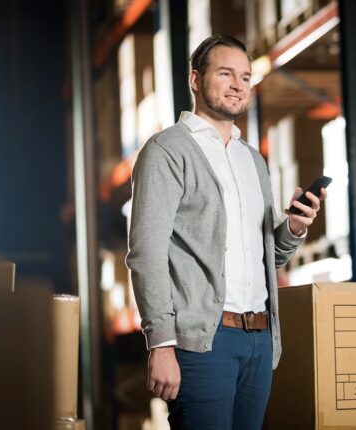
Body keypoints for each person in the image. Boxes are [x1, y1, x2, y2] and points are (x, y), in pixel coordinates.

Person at [126, 34, 326, 430]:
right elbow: (146, 253)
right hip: (204, 342)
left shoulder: (252, 159)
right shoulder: (167, 151)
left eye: (246, 77)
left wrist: (295, 228)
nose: (238, 85)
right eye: (225, 73)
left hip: (260, 340)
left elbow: (267, 255)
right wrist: (161, 343)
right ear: (195, 79)